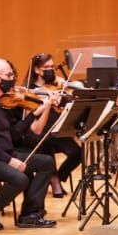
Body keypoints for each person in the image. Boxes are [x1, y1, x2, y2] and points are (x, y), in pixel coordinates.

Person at [0, 57, 59, 228]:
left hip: (4, 153)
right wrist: (10, 160)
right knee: (20, 179)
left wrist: (34, 114)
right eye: (8, 75)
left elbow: (13, 134)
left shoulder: (1, 101)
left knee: (46, 162)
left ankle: (30, 214)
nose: (13, 79)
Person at [25, 53, 81, 199]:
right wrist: (47, 103)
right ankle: (54, 180)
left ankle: (59, 176)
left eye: (52, 66)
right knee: (45, 141)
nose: (50, 70)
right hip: (39, 132)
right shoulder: (30, 90)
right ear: (37, 70)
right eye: (46, 67)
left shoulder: (57, 85)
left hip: (57, 131)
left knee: (77, 153)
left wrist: (63, 96)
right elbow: (30, 116)